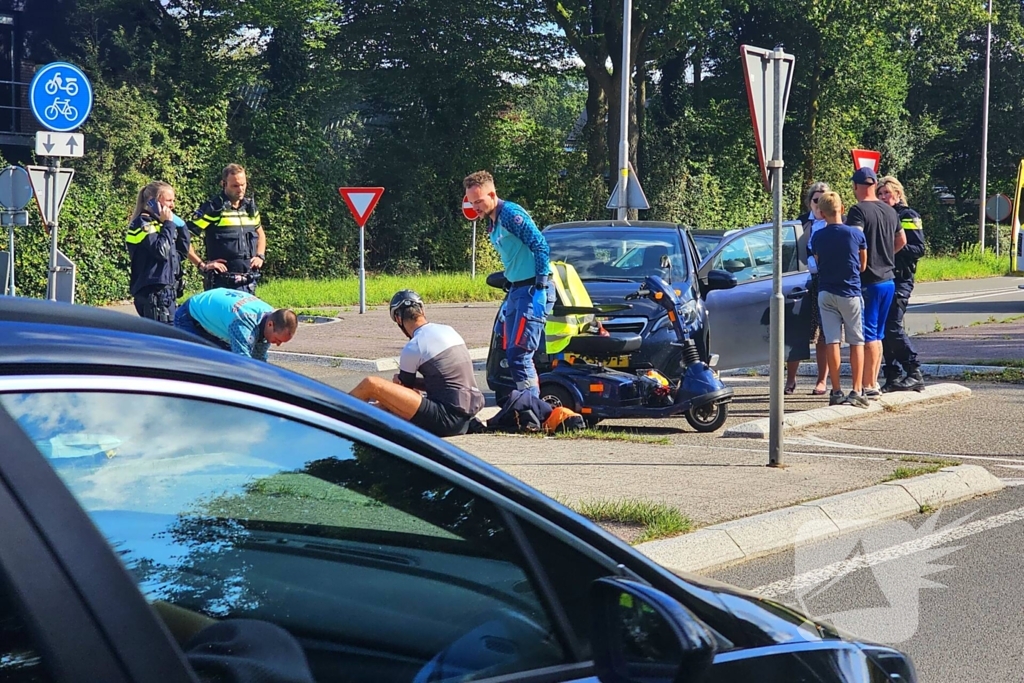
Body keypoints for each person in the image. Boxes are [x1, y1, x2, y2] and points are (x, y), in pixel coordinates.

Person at [463, 170, 554, 397]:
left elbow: (540, 245)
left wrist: (541, 286)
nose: (476, 207)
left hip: (532, 289)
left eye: (479, 201)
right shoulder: (492, 222)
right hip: (517, 290)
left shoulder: (510, 214)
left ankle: (531, 409)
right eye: (472, 202)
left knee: (520, 354)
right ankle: (526, 405)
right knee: (510, 353)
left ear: (492, 194)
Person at [350, 290, 485, 437]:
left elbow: (402, 394)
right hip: (466, 417)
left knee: (371, 384)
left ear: (398, 318)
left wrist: (378, 404)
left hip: (446, 420)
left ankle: (333, 413)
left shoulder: (414, 346)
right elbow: (447, 383)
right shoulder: (449, 330)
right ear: (422, 310)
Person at [845, 167, 906, 399]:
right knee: (878, 334)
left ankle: (869, 385)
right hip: (888, 280)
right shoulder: (890, 211)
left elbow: (853, 240)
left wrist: (861, 262)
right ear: (873, 185)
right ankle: (874, 383)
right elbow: (902, 239)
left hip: (868, 280)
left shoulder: (858, 211)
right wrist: (886, 255)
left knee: (868, 334)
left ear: (857, 187)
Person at [812, 192, 869, 408]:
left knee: (831, 341)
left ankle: (835, 391)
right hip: (851, 292)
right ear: (842, 209)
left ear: (821, 213)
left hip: (826, 292)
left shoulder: (817, 237)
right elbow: (862, 265)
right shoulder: (855, 235)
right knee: (856, 342)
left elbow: (817, 262)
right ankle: (857, 390)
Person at [877, 175, 925, 392]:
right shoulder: (880, 216)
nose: (883, 197)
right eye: (880, 194)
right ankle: (893, 375)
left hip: (901, 279)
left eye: (887, 193)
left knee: (893, 326)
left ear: (897, 194)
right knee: (883, 329)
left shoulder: (908, 215)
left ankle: (914, 372)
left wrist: (893, 245)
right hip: (883, 278)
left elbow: (918, 249)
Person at [187, 164, 266, 294]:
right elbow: (184, 238)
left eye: (243, 184)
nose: (240, 189)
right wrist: (202, 265)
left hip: (248, 282)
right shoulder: (213, 209)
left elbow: (260, 233)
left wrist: (260, 256)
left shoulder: (249, 208)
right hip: (221, 283)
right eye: (235, 186)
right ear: (223, 184)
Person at [787, 181, 830, 396]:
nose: (819, 204)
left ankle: (822, 381)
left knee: (825, 334)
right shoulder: (800, 224)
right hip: (801, 284)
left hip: (827, 283)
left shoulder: (837, 223)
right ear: (809, 202)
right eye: (816, 200)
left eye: (824, 199)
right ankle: (791, 379)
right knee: (797, 332)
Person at [174, 288, 296, 360]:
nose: (278, 344)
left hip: (213, 310)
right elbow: (243, 362)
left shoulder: (270, 315)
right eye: (278, 339)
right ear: (270, 325)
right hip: (189, 317)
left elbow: (258, 358)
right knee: (201, 364)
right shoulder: (243, 322)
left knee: (224, 360)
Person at [125, 181, 184, 324]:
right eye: (169, 200)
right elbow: (161, 251)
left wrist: (180, 224)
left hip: (167, 293)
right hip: (153, 295)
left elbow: (182, 252)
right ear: (152, 202)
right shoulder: (142, 224)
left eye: (173, 201)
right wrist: (169, 224)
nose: (172, 205)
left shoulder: (162, 225)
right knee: (163, 341)